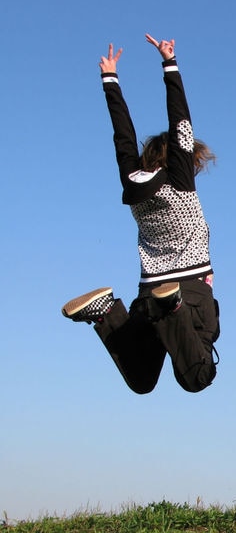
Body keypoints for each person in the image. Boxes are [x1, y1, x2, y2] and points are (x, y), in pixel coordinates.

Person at [61, 35, 220, 395]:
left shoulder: (132, 184)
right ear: (185, 160)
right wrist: (170, 63)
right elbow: (181, 122)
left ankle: (105, 313)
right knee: (197, 377)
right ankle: (173, 306)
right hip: (190, 291)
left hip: (148, 294)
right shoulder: (180, 180)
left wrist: (110, 80)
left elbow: (122, 139)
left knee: (142, 379)